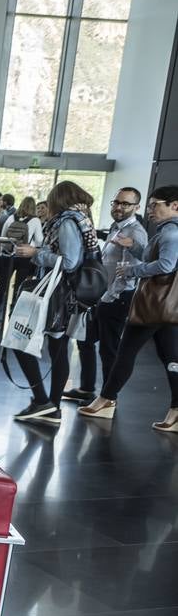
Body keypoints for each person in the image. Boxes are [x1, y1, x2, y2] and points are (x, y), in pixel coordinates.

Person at [81, 185, 178, 432]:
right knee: (171, 358)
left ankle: (106, 399)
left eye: (155, 204)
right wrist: (134, 248)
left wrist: (133, 270)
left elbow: (166, 265)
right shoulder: (165, 232)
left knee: (125, 352)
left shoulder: (170, 233)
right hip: (163, 306)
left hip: (154, 304)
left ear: (174, 206)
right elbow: (152, 257)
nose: (150, 209)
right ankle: (176, 411)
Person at [9, 181, 98, 424]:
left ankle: (42, 401)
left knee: (19, 340)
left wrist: (35, 254)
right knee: (59, 349)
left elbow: (69, 261)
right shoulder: (82, 218)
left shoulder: (68, 222)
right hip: (67, 294)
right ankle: (52, 407)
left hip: (56, 291)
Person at [62, 188, 145, 403]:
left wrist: (111, 296)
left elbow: (137, 262)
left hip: (117, 298)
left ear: (136, 207)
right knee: (86, 341)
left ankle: (108, 398)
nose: (119, 207)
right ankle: (86, 388)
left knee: (109, 349)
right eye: (116, 202)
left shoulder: (135, 232)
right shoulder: (116, 228)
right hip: (102, 296)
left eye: (125, 204)